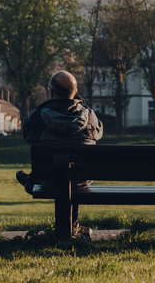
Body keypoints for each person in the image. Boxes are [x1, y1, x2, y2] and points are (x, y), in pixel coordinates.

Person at [15, 70, 103, 239]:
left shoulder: (39, 116)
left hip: (49, 179)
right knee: (73, 172)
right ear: (75, 92)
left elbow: (27, 134)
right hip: (81, 178)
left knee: (59, 171)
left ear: (51, 92)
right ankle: (73, 227)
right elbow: (98, 133)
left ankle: (31, 180)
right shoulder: (89, 115)